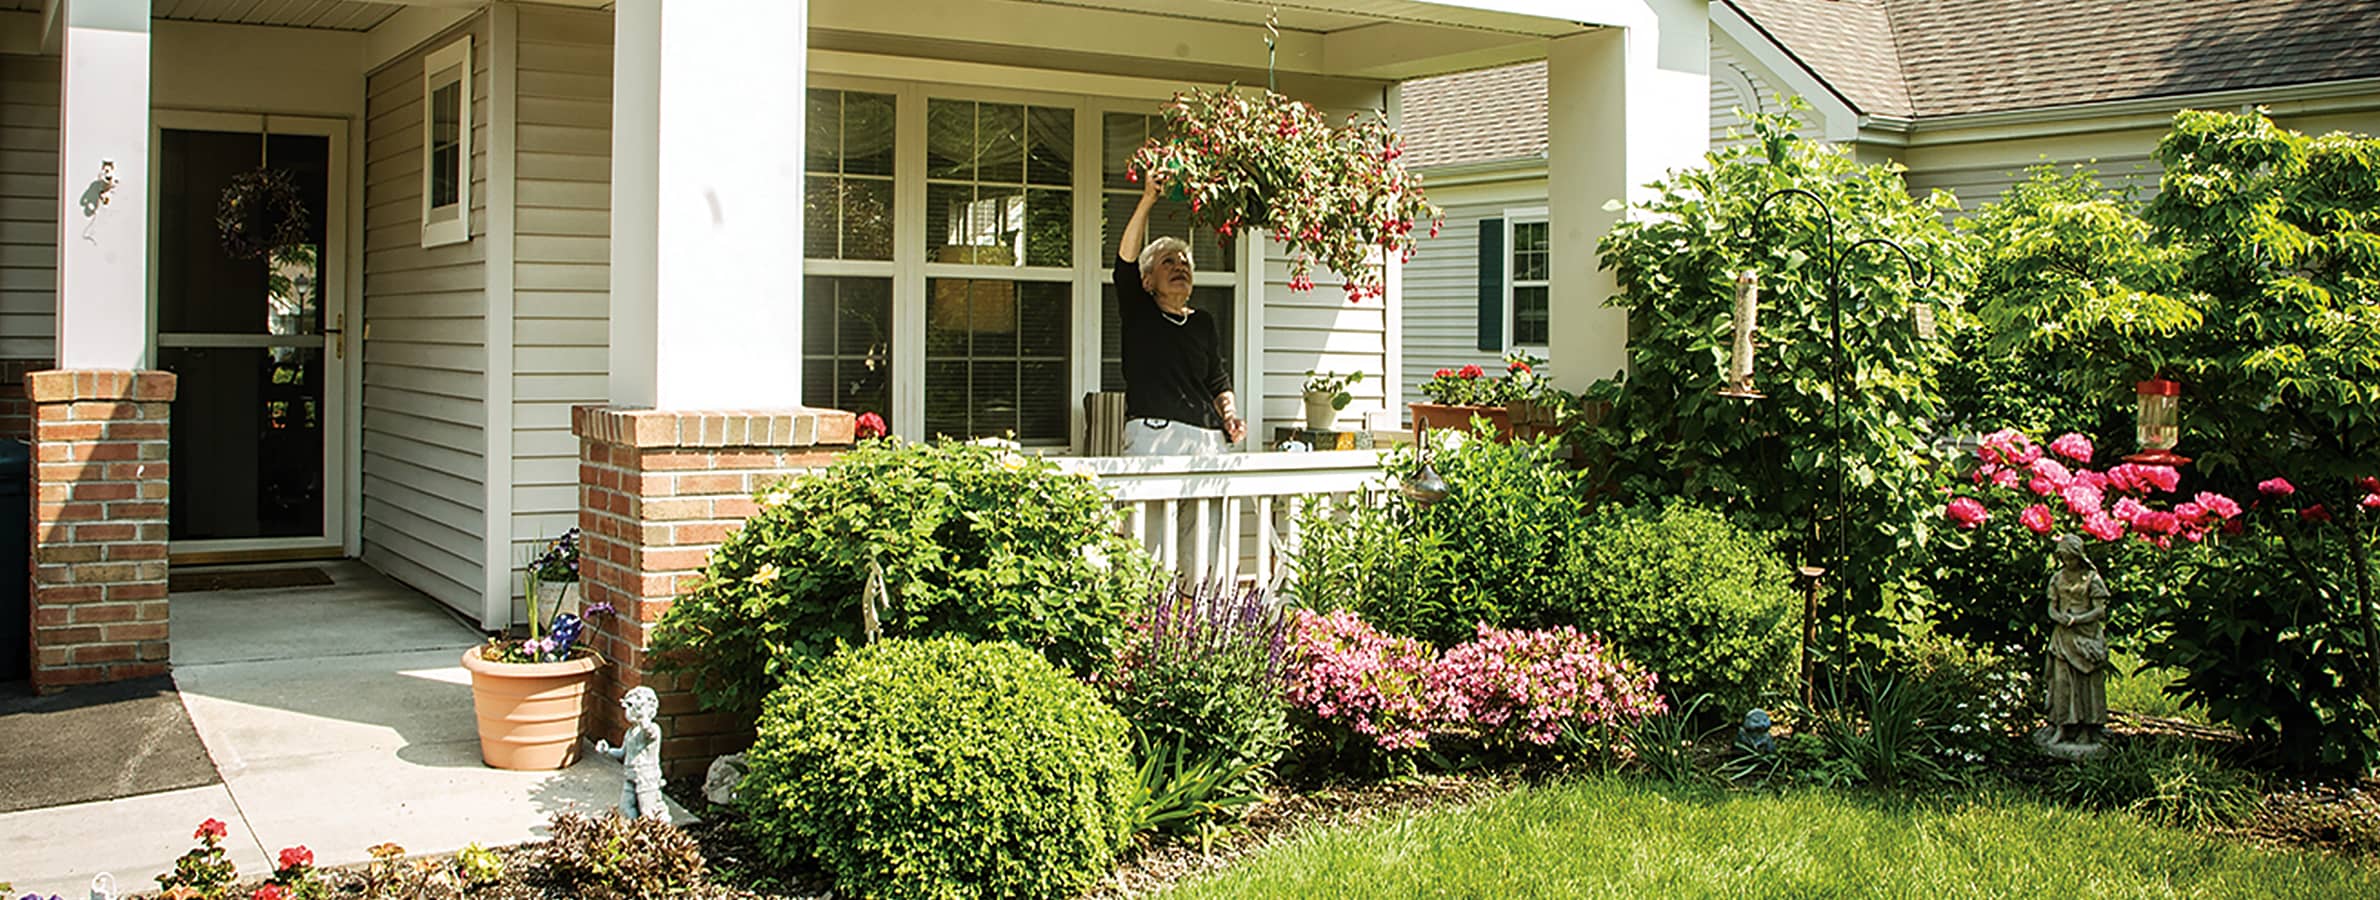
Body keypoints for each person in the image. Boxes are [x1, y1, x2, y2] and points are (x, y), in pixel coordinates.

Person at [1115, 171, 1245, 456]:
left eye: (1185, 263)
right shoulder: (1140, 312)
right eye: (1168, 262)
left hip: (1208, 438)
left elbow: (1217, 380)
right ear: (1148, 281)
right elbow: (1125, 263)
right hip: (1155, 436)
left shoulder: (1202, 322)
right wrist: (1148, 199)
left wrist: (1229, 415)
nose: (1180, 267)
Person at [2044, 534, 2110, 745]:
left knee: (2086, 683)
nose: (2066, 563)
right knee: (2062, 682)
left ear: (2079, 557)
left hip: (2086, 636)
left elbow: (2099, 611)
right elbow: (2051, 607)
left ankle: (2087, 727)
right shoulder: (2057, 578)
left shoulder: (2092, 578)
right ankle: (2062, 726)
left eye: (2070, 558)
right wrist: (2058, 617)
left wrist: (2077, 619)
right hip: (2063, 636)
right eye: (2063, 558)